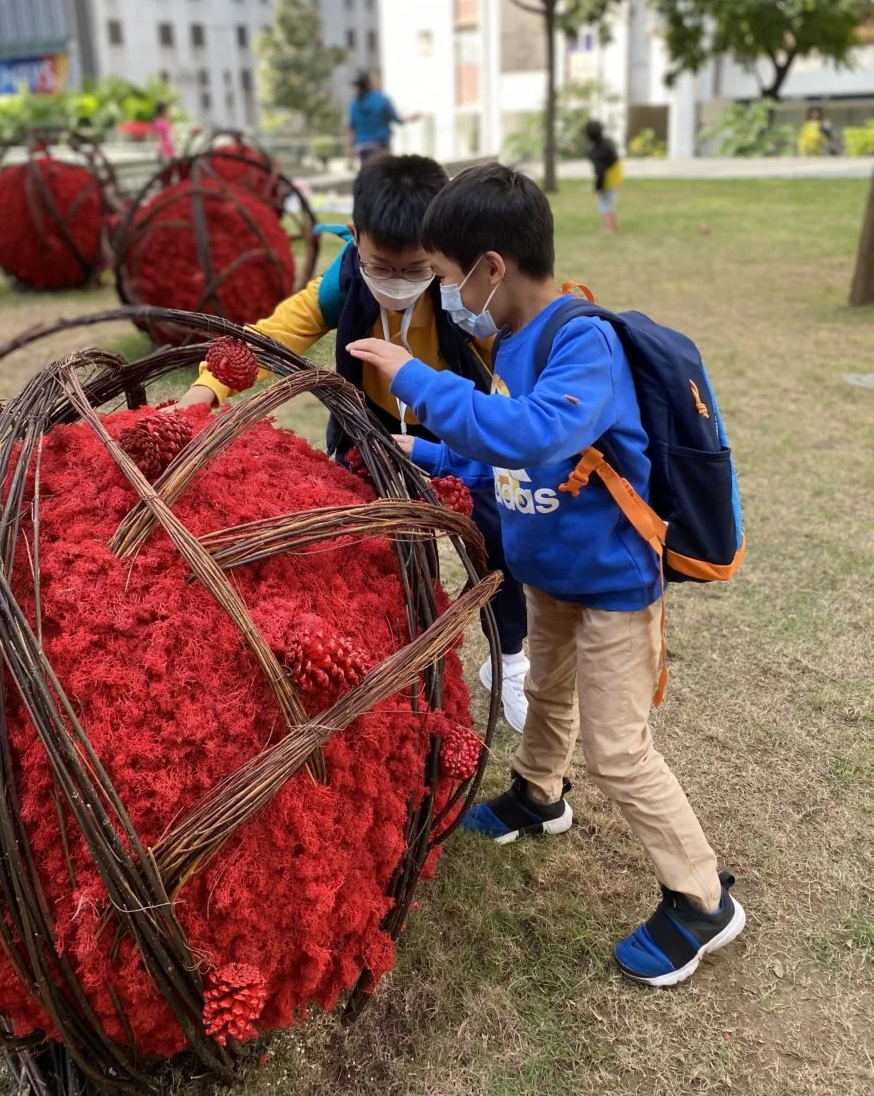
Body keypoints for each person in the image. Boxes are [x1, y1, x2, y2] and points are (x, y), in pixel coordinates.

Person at [346, 162, 745, 987]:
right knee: (551, 696)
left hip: (612, 584)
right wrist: (415, 445)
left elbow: (531, 433)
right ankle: (538, 794)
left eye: (449, 278)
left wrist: (412, 377)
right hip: (550, 571)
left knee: (619, 748)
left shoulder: (582, 341)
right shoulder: (510, 339)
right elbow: (492, 444)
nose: (445, 295)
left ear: (491, 268)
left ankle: (703, 899)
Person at [177, 154, 531, 728]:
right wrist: (206, 389)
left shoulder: (468, 302)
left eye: (416, 268)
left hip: (456, 434)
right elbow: (267, 339)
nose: (397, 281)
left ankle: (508, 654)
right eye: (380, 266)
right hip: (366, 434)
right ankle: (388, 660)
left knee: (498, 535)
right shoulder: (343, 285)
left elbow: (513, 380)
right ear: (356, 237)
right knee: (362, 549)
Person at [348, 72, 403, 163]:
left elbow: (351, 126)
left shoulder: (354, 103)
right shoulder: (381, 99)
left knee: (366, 172)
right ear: (370, 84)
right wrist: (408, 119)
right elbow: (395, 118)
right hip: (379, 143)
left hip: (361, 145)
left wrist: (351, 146)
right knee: (383, 171)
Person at [584, 119, 623, 233]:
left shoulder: (594, 152)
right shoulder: (608, 142)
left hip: (608, 179)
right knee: (610, 202)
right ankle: (614, 226)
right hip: (617, 175)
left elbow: (600, 172)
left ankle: (609, 228)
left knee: (603, 205)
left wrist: (598, 186)